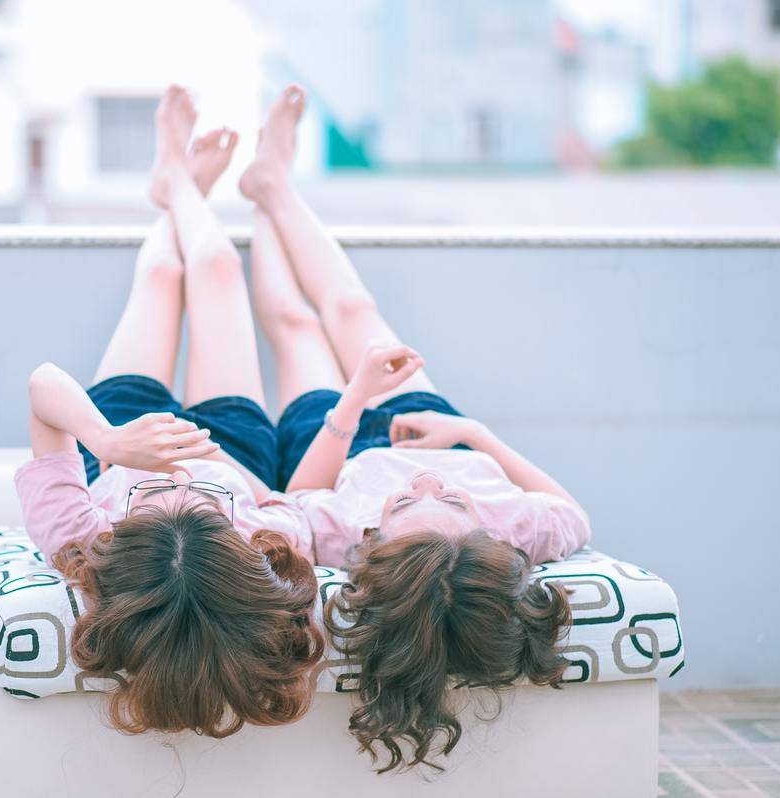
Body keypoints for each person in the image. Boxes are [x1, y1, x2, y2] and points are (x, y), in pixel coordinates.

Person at [240, 85, 592, 772]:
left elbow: (299, 493)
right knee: (352, 306)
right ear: (488, 539)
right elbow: (574, 514)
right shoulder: (514, 530)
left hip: (335, 439)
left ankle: (259, 201)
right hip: (434, 427)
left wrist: (351, 402)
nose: (426, 486)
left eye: (405, 503)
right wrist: (475, 437)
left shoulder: (345, 537)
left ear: (376, 543)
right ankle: (275, 184)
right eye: (453, 500)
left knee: (296, 326)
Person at [15, 85, 322, 740]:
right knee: (217, 265)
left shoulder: (80, 539)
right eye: (201, 508)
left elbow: (43, 386)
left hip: (122, 436)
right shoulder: (264, 549)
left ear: (122, 543)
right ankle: (181, 185)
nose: (177, 485)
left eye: (155, 503)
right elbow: (281, 503)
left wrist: (110, 445)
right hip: (232, 450)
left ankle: (176, 181)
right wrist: (215, 465)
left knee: (161, 277)